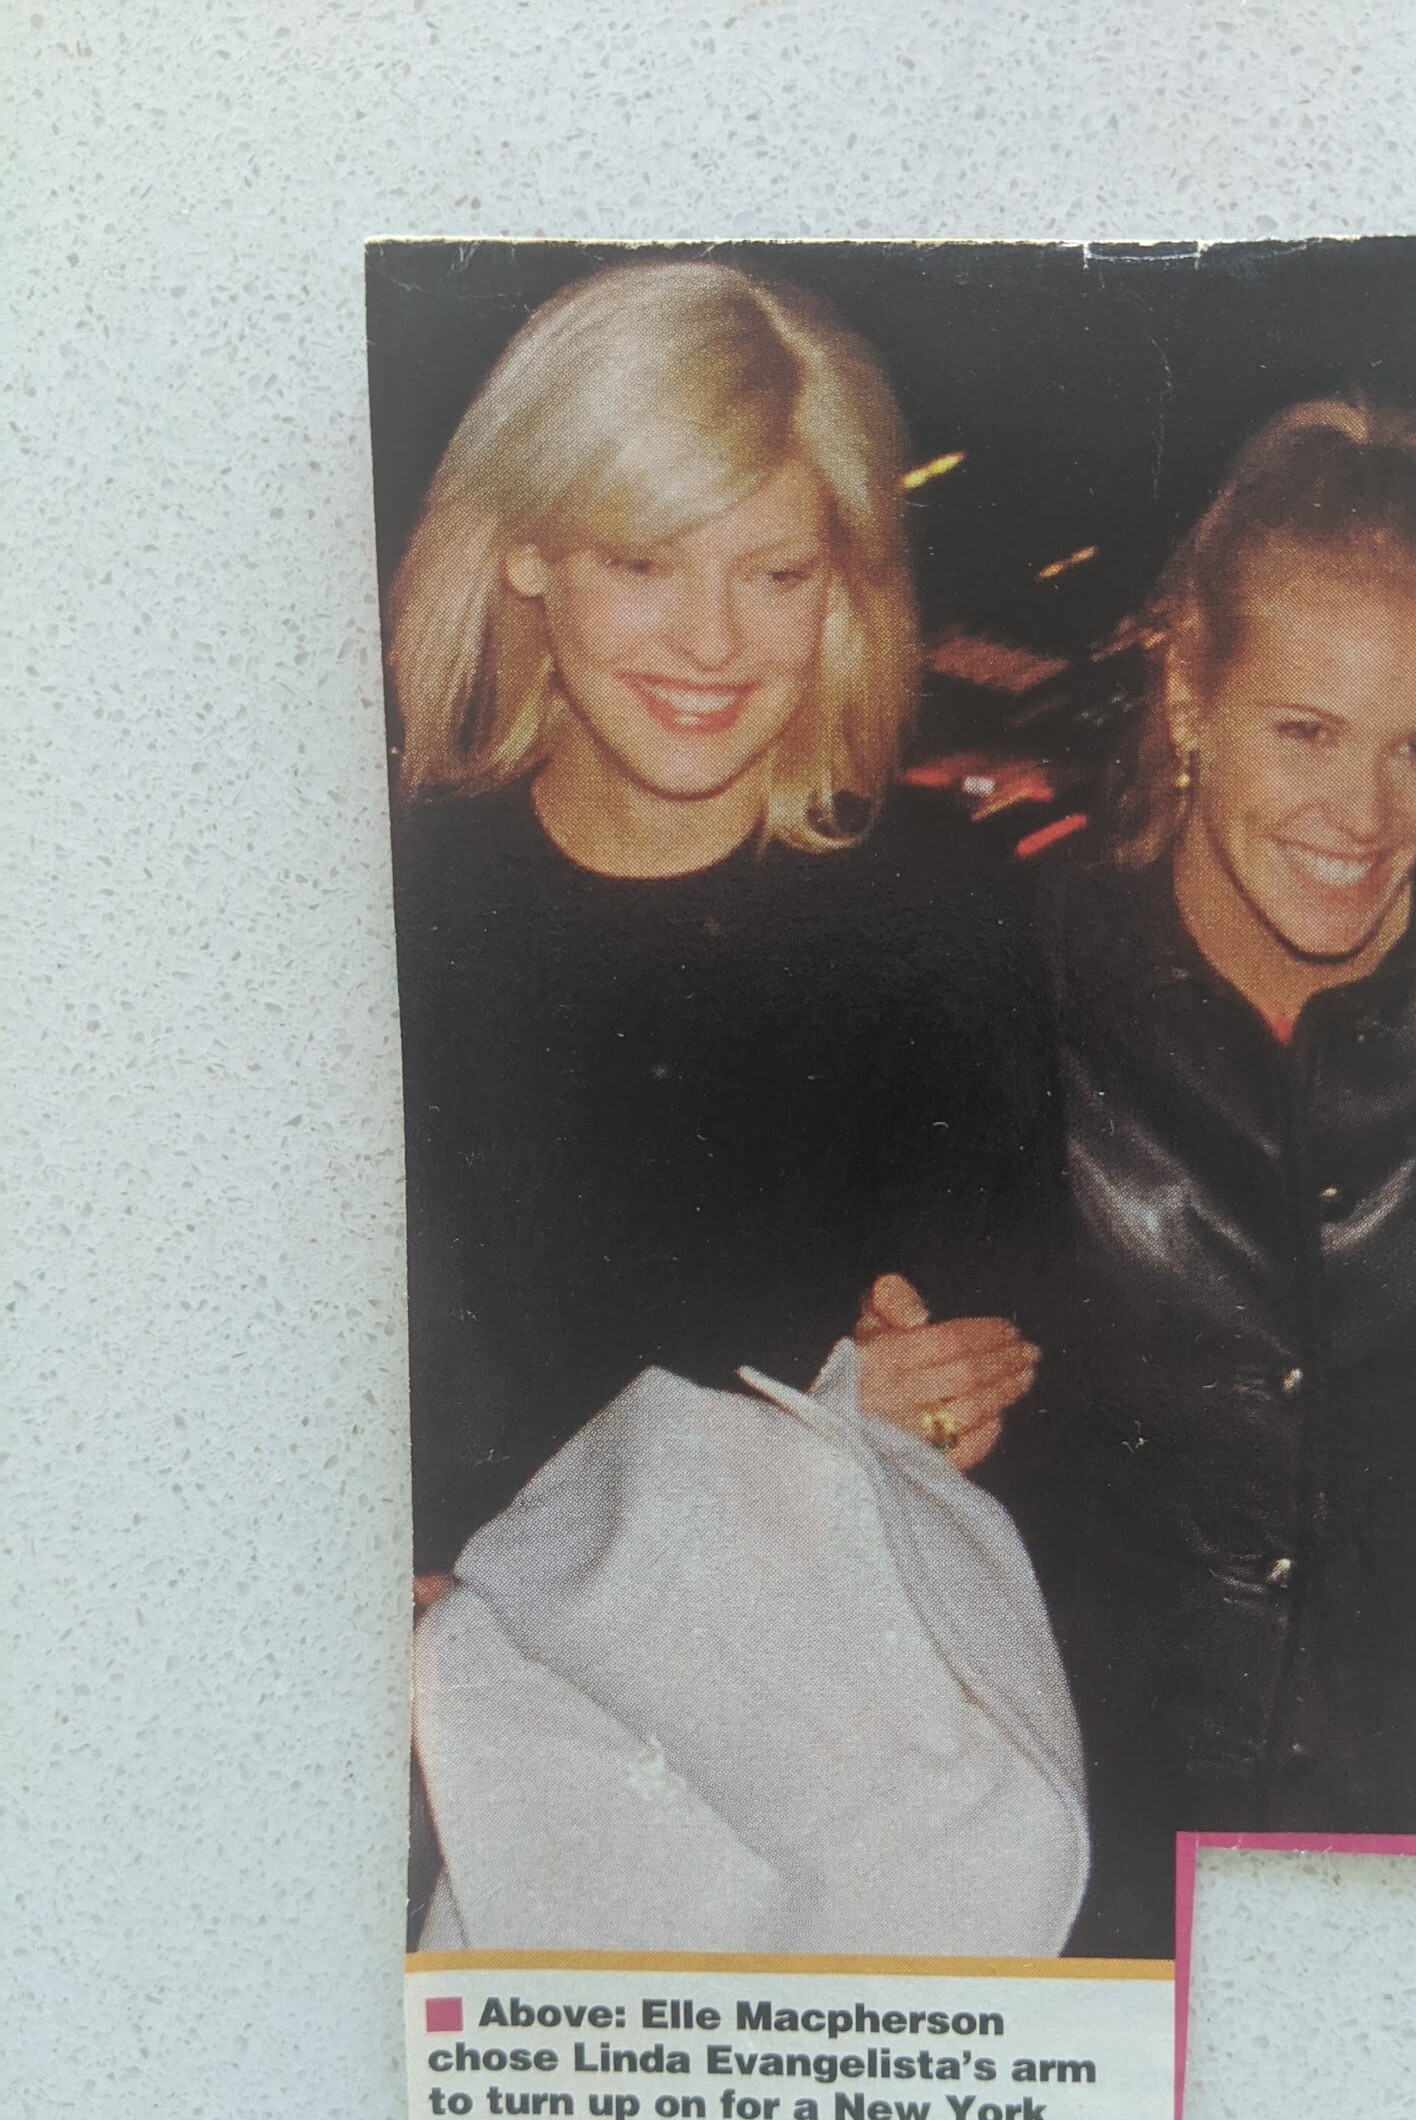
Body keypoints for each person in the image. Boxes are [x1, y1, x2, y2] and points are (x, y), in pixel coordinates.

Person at [384, 263, 1062, 1934]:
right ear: (526, 550)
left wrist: (942, 1411)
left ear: (845, 589)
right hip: (432, 1790)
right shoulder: (383, 908)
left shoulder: (941, 917)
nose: (711, 643)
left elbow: (978, 1387)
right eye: (643, 562)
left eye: (774, 573)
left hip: (798, 1826)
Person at [1026, 396, 1416, 1956]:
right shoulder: (1013, 994)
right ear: (1188, 690)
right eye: (1304, 733)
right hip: (1098, 1867)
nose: (1363, 817)